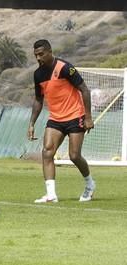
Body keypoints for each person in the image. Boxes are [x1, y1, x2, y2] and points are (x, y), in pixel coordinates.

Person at [29, 39, 95, 203]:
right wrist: (31, 124)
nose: (38, 58)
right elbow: (38, 100)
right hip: (56, 119)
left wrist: (88, 117)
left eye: (41, 54)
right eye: (36, 55)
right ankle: (51, 194)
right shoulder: (38, 74)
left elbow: (84, 90)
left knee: (74, 155)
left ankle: (90, 184)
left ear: (50, 51)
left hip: (75, 116)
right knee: (47, 152)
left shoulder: (65, 68)